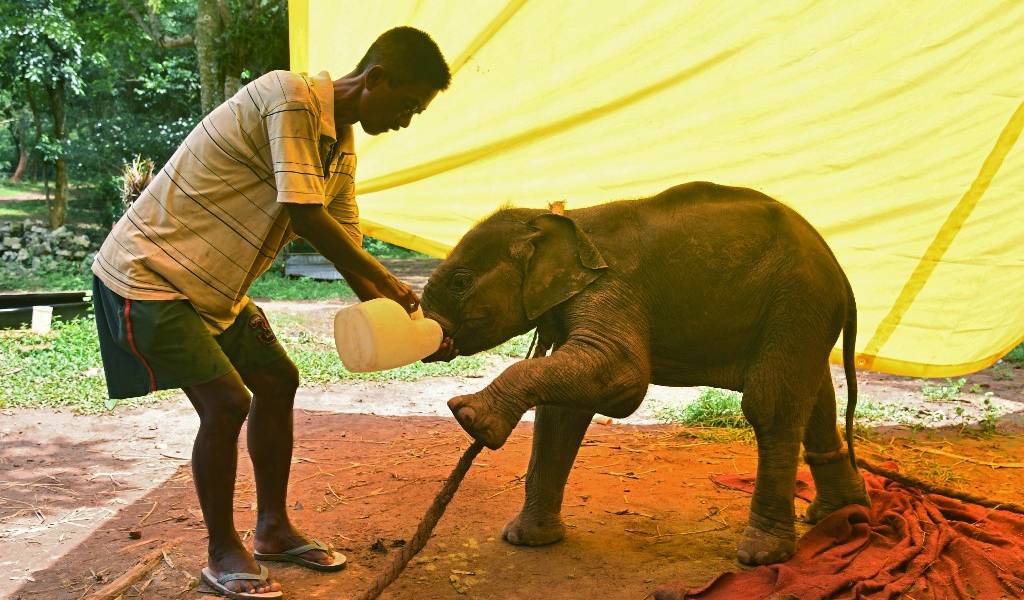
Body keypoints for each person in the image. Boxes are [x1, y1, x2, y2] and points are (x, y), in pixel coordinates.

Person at [90, 27, 451, 598]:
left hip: (215, 290)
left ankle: (273, 531)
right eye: (407, 105)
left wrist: (413, 326)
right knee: (229, 401)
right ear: (375, 78)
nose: (407, 121)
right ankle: (222, 551)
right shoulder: (288, 96)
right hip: (149, 277)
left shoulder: (341, 145)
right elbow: (304, 215)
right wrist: (391, 282)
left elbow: (347, 246)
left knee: (277, 379)